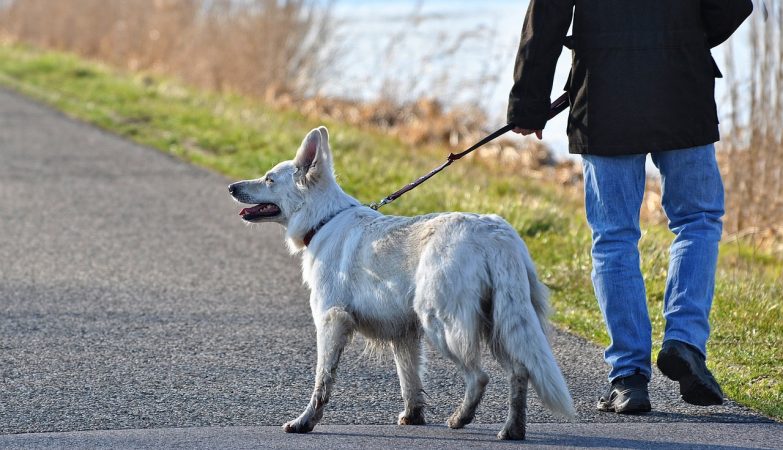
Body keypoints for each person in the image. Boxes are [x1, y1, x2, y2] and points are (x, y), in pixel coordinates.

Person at [507, 0, 754, 413]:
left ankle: (628, 378)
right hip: (681, 86)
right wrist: (683, 40)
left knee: (614, 237)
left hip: (604, 94)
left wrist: (528, 104)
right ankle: (685, 341)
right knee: (697, 221)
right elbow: (731, 7)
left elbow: (545, 17)